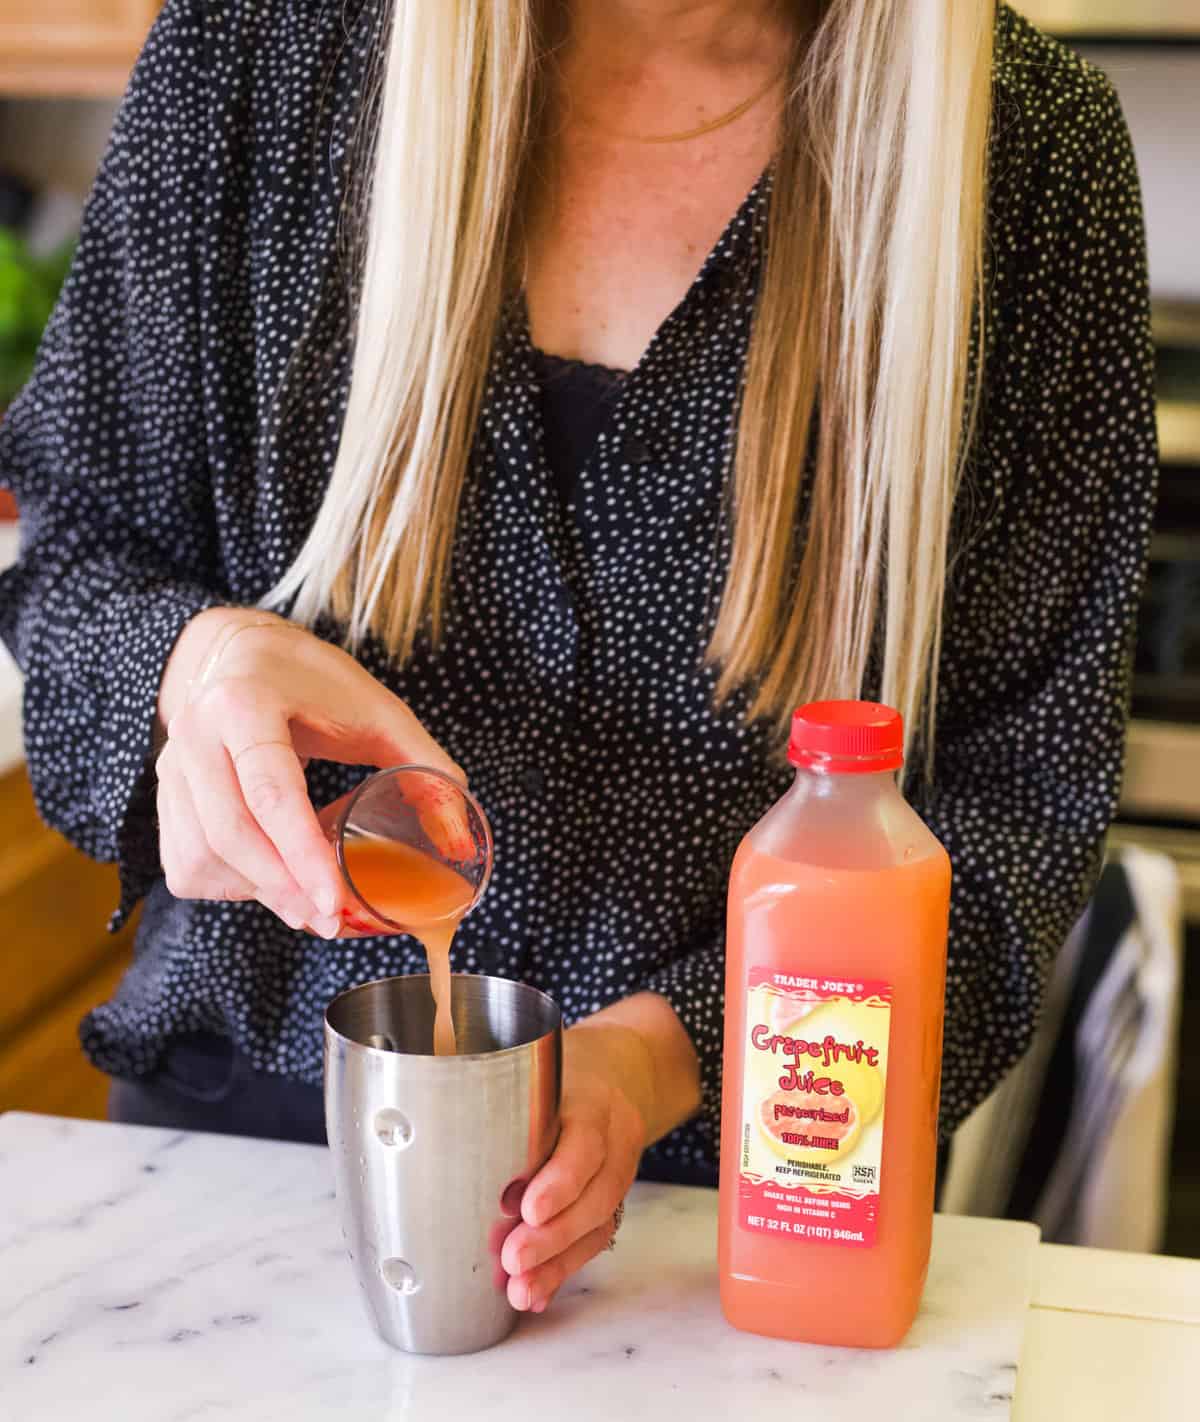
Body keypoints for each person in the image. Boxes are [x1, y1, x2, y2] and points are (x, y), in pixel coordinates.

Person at [0, 1, 1157, 1314]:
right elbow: (79, 544)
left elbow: (1022, 809)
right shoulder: (259, 51)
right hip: (243, 1189)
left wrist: (664, 1055)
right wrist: (188, 674)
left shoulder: (1030, 160)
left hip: (744, 1226)